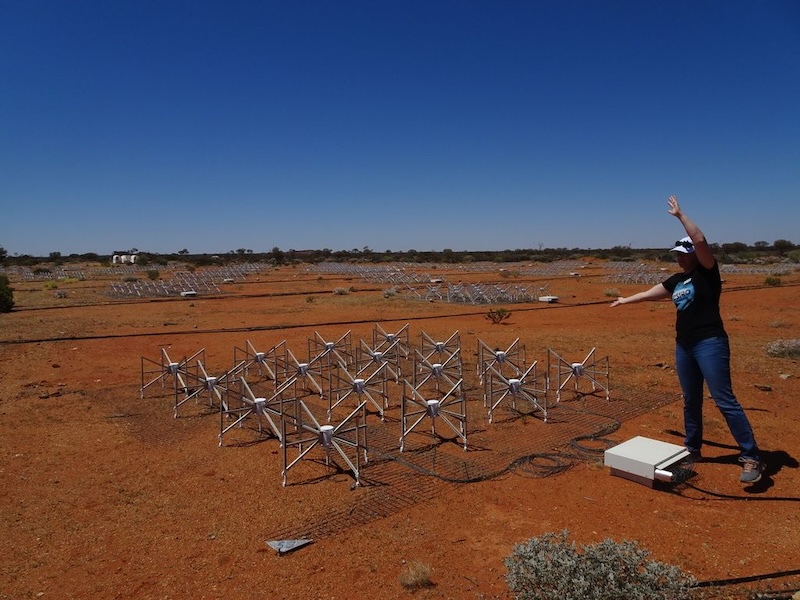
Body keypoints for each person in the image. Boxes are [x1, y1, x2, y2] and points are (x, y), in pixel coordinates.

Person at [610, 195, 764, 483]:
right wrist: (624, 300)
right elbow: (649, 294)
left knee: (723, 399)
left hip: (710, 342)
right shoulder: (676, 281)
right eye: (677, 253)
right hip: (685, 345)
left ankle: (751, 456)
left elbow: (702, 240)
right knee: (691, 399)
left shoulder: (708, 273)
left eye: (684, 252)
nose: (679, 257)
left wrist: (681, 216)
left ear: (695, 254)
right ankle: (692, 448)